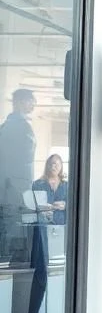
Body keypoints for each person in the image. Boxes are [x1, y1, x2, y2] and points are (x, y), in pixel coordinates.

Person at [24, 153, 68, 313]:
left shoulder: (67, 186)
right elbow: (31, 206)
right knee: (41, 275)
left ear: (61, 167)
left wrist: (64, 205)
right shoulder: (38, 184)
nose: (54, 166)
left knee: (60, 277)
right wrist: (44, 208)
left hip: (61, 233)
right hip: (42, 232)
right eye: (51, 163)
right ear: (47, 165)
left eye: (57, 163)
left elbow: (74, 204)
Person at [0, 88, 37, 265]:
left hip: (17, 190)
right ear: (21, 102)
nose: (34, 104)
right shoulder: (14, 127)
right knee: (12, 235)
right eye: (30, 100)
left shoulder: (15, 125)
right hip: (13, 191)